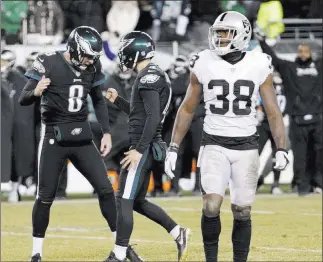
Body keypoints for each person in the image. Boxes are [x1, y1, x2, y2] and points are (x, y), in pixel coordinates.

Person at [165, 11, 289, 262]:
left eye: (225, 33)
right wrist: (173, 146)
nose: (219, 38)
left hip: (246, 144)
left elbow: (273, 111)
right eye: (218, 33)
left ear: (242, 35)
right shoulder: (203, 61)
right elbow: (187, 107)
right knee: (211, 205)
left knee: (242, 210)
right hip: (214, 142)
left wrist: (281, 148)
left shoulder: (258, 62)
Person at [19, 26, 140, 262]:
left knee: (105, 189)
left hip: (82, 136)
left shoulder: (92, 66)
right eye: (85, 55)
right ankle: (36, 252)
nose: (88, 61)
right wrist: (36, 91)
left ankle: (122, 249)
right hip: (54, 135)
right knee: (45, 196)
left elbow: (98, 99)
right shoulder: (48, 61)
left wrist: (106, 133)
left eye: (92, 57)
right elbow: (23, 98)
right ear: (73, 49)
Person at [104, 31, 190, 262]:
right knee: (137, 201)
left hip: (143, 146)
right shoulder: (151, 75)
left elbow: (152, 118)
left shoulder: (149, 77)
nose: (123, 55)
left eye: (125, 50)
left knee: (122, 199)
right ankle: (177, 231)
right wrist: (118, 101)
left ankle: (119, 254)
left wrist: (139, 149)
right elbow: (140, 114)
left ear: (137, 51)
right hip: (146, 143)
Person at [255, 26, 322, 195]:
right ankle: (301, 185)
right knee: (299, 156)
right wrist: (262, 41)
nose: (303, 53)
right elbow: (275, 60)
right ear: (297, 53)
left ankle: (318, 184)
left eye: (306, 50)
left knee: (318, 154)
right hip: (297, 119)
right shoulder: (290, 68)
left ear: (311, 52)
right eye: (301, 50)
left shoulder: (319, 67)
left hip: (317, 118)